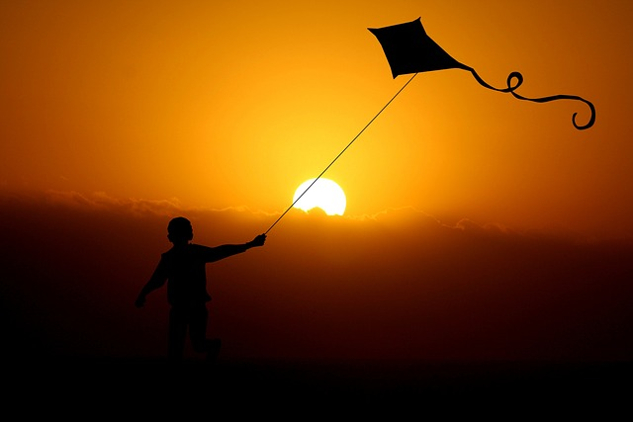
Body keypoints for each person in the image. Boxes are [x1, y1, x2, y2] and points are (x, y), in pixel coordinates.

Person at [135, 216, 266, 362]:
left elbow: (220, 251)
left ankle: (213, 348)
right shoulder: (175, 257)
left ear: (170, 236)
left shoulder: (187, 254)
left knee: (194, 345)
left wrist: (250, 244)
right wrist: (250, 244)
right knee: (181, 347)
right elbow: (157, 280)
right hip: (182, 307)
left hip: (194, 307)